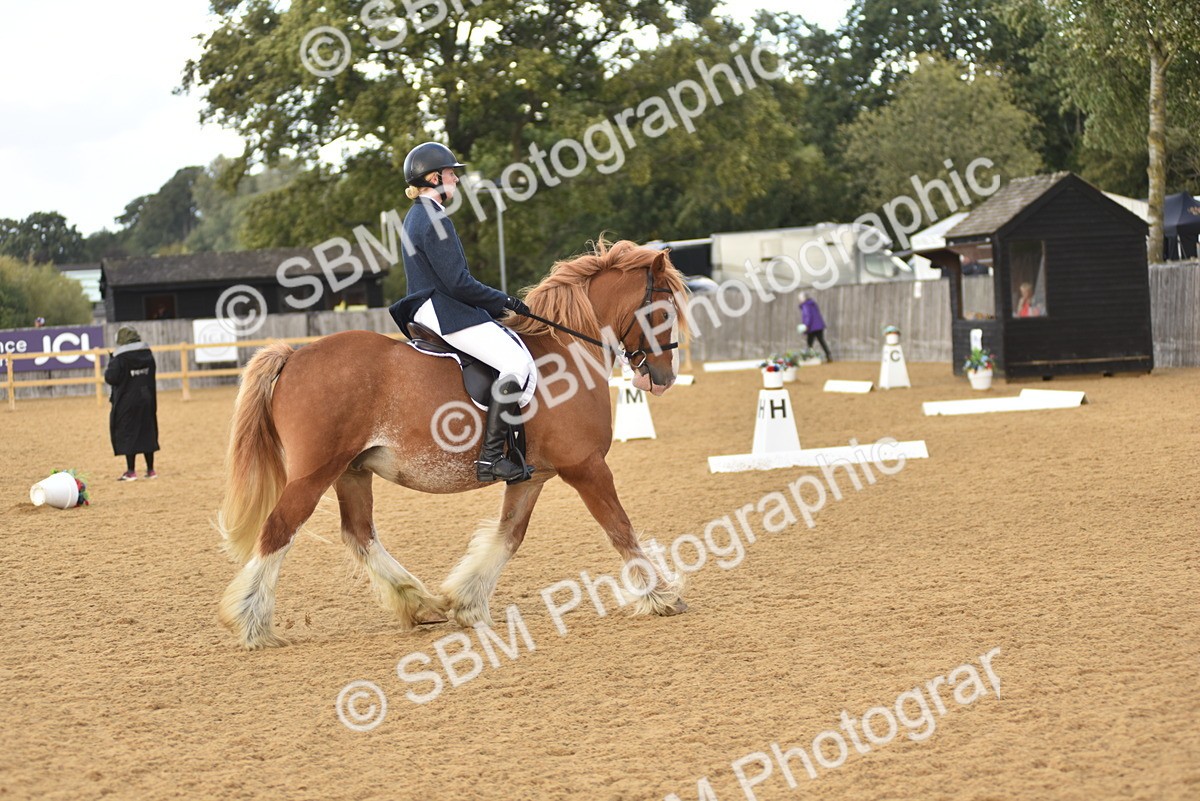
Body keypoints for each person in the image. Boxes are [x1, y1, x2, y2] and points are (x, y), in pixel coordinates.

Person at [388, 142, 536, 484]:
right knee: (516, 363)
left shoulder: (415, 216)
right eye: (452, 174)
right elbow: (457, 282)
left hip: (426, 308)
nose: (456, 180)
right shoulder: (435, 219)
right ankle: (490, 459)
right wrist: (504, 301)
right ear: (434, 177)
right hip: (445, 311)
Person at [105, 326, 159, 481]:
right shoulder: (147, 354)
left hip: (127, 401)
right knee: (147, 431)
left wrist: (111, 362)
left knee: (128, 432)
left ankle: (131, 471)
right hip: (147, 398)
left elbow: (111, 378)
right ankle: (150, 470)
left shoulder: (120, 358)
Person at [797, 291, 833, 362]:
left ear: (803, 298)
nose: (799, 300)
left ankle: (809, 357)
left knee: (809, 343)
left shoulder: (805, 305)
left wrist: (806, 325)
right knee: (821, 341)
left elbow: (808, 316)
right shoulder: (812, 304)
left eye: (800, 298)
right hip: (819, 326)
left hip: (812, 327)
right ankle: (828, 355)